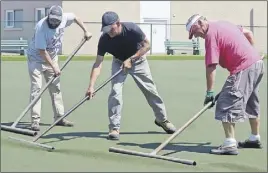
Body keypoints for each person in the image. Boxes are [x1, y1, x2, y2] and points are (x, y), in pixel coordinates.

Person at [85, 11, 177, 140]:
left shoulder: (131, 29)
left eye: (111, 29)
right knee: (115, 92)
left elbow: (147, 45)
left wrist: (132, 59)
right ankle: (114, 128)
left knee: (151, 91)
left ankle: (162, 120)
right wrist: (91, 86)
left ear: (118, 23)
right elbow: (98, 64)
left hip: (138, 61)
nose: (109, 32)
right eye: (106, 29)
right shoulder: (104, 39)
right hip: (119, 62)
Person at [185, 14, 265, 155]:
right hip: (257, 64)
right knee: (251, 102)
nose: (196, 36)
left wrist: (209, 92)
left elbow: (211, 66)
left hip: (243, 67)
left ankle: (229, 144)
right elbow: (249, 34)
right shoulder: (224, 24)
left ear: (200, 23)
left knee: (225, 103)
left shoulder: (210, 35)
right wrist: (252, 53)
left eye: (194, 31)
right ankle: (254, 138)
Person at [27, 5, 92, 131]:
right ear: (48, 17)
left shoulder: (64, 18)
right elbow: (42, 51)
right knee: (37, 89)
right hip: (36, 59)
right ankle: (35, 121)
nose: (53, 23)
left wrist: (85, 30)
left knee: (55, 88)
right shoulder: (41, 27)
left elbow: (75, 17)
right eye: (51, 20)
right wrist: (54, 67)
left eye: (56, 21)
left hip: (52, 57)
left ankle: (59, 117)